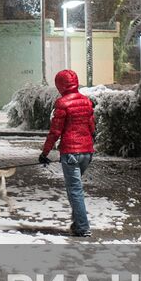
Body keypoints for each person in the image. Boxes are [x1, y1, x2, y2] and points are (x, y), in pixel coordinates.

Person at [39, 68, 95, 237]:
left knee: (75, 190)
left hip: (70, 152)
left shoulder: (62, 103)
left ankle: (83, 227)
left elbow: (55, 131)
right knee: (75, 189)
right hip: (86, 152)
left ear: (60, 85)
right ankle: (78, 224)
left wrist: (45, 153)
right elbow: (92, 127)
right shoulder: (86, 101)